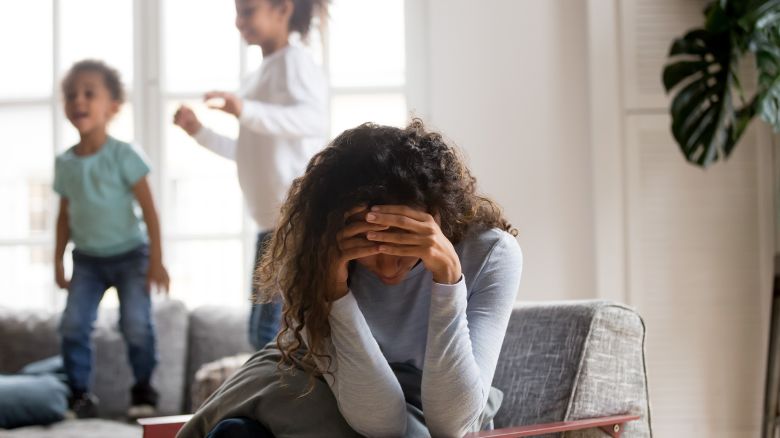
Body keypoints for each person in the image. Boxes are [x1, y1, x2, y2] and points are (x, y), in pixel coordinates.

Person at [177, 120, 524, 438]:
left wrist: (448, 279)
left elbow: (453, 424)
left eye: (402, 242)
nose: (388, 267)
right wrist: (334, 292)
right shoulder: (313, 253)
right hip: (323, 382)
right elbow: (381, 421)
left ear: (436, 215)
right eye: (368, 245)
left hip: (431, 401)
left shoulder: (490, 253)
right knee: (235, 433)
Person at [173, 0, 328, 351]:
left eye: (247, 11)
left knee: (270, 331)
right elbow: (245, 152)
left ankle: (274, 399)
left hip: (294, 217)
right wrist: (198, 131)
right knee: (262, 330)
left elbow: (313, 121)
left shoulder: (295, 61)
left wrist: (245, 109)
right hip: (270, 221)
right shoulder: (258, 76)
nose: (238, 21)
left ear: (282, 9)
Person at [54, 60, 170, 419]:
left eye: (90, 93)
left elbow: (150, 211)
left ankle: (143, 391)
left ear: (113, 107)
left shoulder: (124, 154)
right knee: (73, 325)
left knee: (136, 324)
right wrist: (58, 260)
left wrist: (156, 260)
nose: (79, 101)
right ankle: (79, 396)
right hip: (87, 260)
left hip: (131, 255)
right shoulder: (65, 163)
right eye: (72, 94)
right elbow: (63, 217)